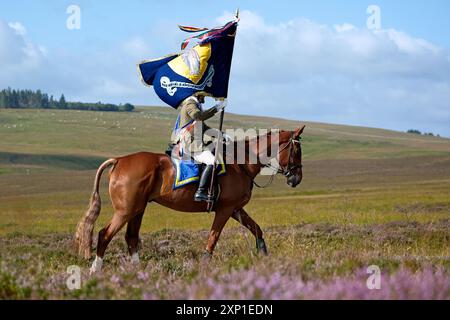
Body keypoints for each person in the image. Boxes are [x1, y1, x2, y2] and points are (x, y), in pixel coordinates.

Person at [170, 93, 228, 202]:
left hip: (194, 141)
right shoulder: (190, 104)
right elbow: (198, 116)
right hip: (190, 143)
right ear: (198, 95)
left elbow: (203, 127)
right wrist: (216, 109)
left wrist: (220, 134)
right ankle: (200, 192)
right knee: (212, 162)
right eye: (203, 96)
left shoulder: (195, 104)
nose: (204, 98)